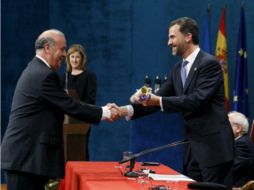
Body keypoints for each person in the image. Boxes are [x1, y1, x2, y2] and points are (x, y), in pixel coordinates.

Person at [120, 17, 235, 187]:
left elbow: (197, 100)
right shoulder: (177, 69)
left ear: (188, 36)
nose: (168, 42)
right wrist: (125, 110)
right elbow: (158, 99)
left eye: (172, 37)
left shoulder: (209, 64)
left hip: (214, 151)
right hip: (192, 152)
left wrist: (156, 99)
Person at [1, 29, 119, 190]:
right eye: (62, 49)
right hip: (26, 161)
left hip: (26, 160)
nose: (65, 55)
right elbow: (71, 105)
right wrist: (105, 112)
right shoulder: (43, 75)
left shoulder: (36, 70)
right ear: (47, 48)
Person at [228, 111, 254, 187]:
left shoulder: (242, 145)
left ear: (238, 128)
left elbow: (230, 169)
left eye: (226, 124)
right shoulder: (239, 142)